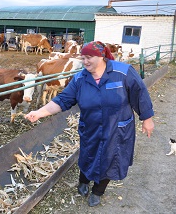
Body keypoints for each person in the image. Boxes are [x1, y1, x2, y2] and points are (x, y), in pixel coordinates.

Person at [25, 41, 154, 207]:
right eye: (83, 57)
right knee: (88, 156)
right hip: (91, 127)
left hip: (117, 128)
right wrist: (39, 113)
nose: (85, 61)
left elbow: (140, 94)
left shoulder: (123, 72)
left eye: (89, 57)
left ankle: (98, 191)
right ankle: (83, 181)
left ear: (101, 56)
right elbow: (63, 100)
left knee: (110, 158)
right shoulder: (80, 78)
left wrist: (147, 119)